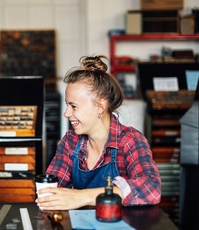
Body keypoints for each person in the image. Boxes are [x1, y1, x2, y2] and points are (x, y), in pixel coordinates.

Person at [36, 55, 161, 210]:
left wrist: (84, 197)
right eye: (67, 105)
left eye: (73, 106)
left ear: (100, 107)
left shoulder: (130, 140)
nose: (66, 113)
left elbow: (151, 188)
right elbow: (53, 190)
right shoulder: (70, 141)